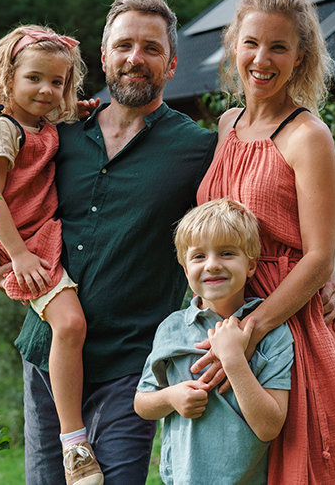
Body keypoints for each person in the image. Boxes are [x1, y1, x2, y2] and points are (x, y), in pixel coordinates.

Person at [0, 0, 218, 484]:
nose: (134, 59)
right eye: (123, 46)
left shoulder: (196, 148)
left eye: (151, 48)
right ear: (103, 56)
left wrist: (321, 270)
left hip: (132, 363)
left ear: (172, 64)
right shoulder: (55, 134)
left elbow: (249, 210)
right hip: (48, 354)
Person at [195, 0, 335, 483]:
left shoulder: (308, 136)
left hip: (286, 324)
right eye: (251, 43)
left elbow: (318, 258)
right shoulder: (226, 126)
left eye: (279, 46)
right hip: (226, 317)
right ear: (234, 46)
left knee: (304, 465)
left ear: (301, 56)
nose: (261, 59)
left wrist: (251, 332)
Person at [0, 25, 104, 485]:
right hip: (13, 240)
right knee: (71, 323)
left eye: (57, 82)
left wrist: (76, 108)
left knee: (72, 324)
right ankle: (74, 444)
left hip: (35, 235)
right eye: (34, 78)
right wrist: (16, 256)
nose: (46, 90)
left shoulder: (40, 123)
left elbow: (60, 115)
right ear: (8, 78)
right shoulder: (1, 130)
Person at [134, 198, 294, 485]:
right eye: (198, 257)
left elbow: (269, 427)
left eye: (227, 253)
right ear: (185, 269)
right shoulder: (171, 328)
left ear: (251, 265)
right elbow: (142, 403)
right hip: (181, 478)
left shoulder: (274, 332)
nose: (212, 265)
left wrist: (233, 359)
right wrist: (170, 397)